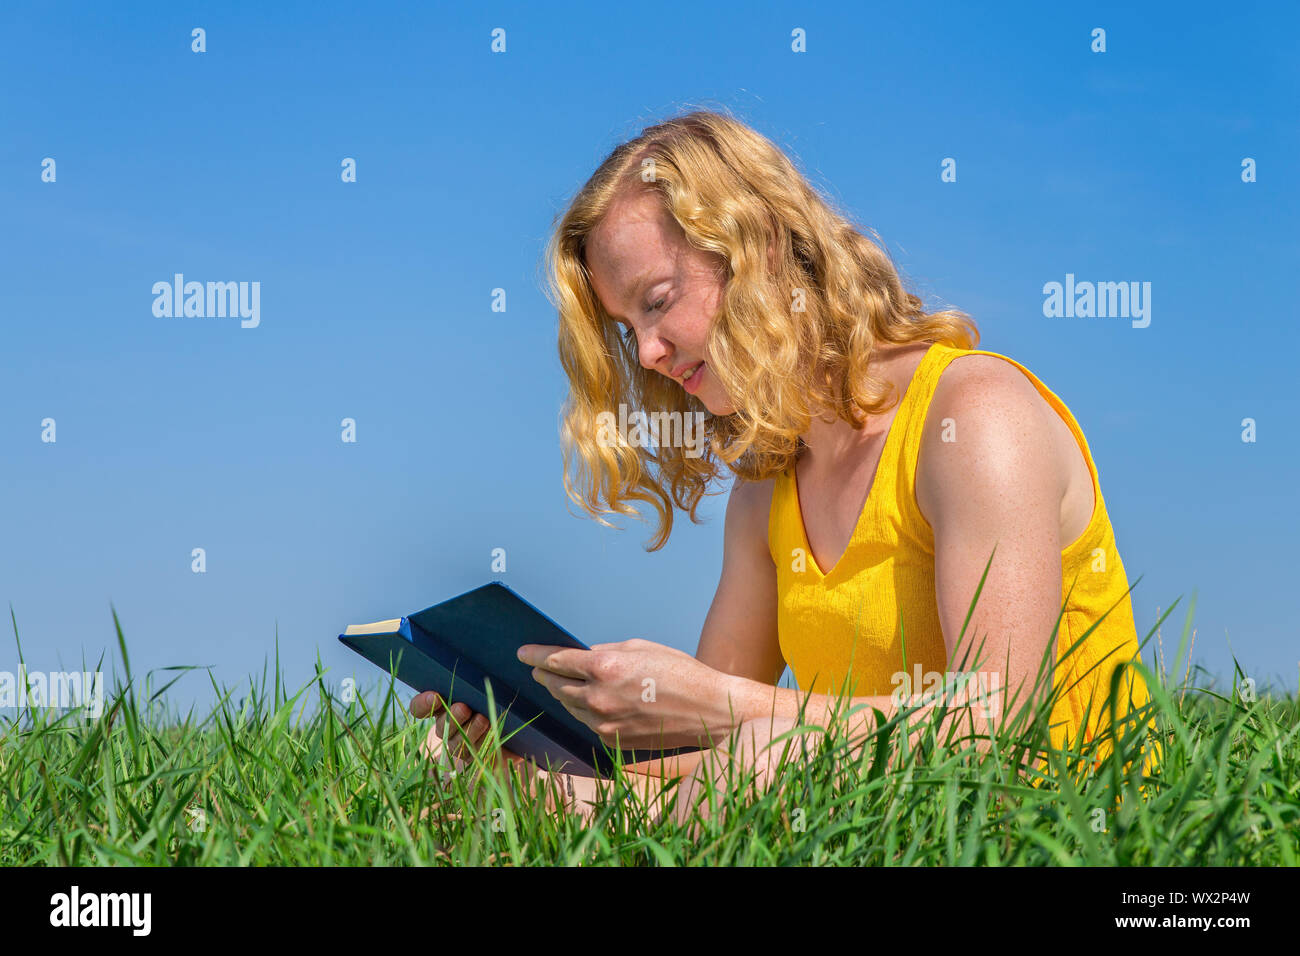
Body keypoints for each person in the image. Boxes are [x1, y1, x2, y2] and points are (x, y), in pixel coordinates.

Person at [410, 109, 1159, 826]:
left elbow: (998, 725)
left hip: (1065, 821)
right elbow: (697, 747)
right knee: (753, 753)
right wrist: (531, 756)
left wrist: (728, 707)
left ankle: (589, 821)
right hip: (884, 819)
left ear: (758, 247)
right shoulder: (766, 490)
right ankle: (567, 806)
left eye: (659, 301)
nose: (648, 354)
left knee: (769, 751)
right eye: (628, 327)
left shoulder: (976, 417)